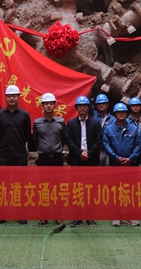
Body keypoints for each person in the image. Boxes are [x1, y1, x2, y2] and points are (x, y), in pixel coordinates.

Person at [0, 85, 32, 225]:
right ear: (5, 98)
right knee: (2, 186)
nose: (11, 98)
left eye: (14, 96)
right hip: (2, 155)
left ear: (18, 98)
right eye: (9, 96)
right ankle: (1, 215)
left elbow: (27, 134)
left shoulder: (24, 115)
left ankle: (21, 214)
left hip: (19, 155)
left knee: (20, 185)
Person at [64, 95, 103, 227]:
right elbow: (68, 140)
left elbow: (98, 141)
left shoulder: (95, 123)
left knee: (90, 190)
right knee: (77, 190)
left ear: (88, 107)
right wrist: (79, 153)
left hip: (91, 161)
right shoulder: (70, 123)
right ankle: (77, 217)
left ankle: (90, 217)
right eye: (80, 106)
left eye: (85, 106)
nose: (82, 108)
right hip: (76, 160)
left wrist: (89, 153)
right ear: (76, 108)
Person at [103, 102, 141, 227]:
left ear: (126, 113)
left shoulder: (133, 129)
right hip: (115, 165)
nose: (121, 114)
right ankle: (117, 216)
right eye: (119, 112)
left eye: (123, 112)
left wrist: (130, 159)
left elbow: (138, 145)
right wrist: (116, 157)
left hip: (130, 165)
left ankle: (130, 216)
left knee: (130, 190)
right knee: (116, 190)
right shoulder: (109, 129)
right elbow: (106, 145)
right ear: (115, 114)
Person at [33, 92, 66, 225]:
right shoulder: (37, 122)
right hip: (43, 159)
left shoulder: (61, 121)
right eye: (46, 104)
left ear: (54, 105)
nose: (48, 106)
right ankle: (44, 215)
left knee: (57, 187)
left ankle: (58, 215)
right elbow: (35, 140)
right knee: (43, 187)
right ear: (42, 106)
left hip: (57, 158)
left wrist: (55, 148)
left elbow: (63, 139)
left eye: (51, 103)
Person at [92, 93, 115, 166]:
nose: (101, 105)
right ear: (96, 105)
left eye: (103, 103)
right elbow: (87, 105)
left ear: (107, 105)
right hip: (95, 150)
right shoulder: (92, 116)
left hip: (108, 150)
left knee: (108, 169)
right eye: (99, 104)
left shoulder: (113, 120)